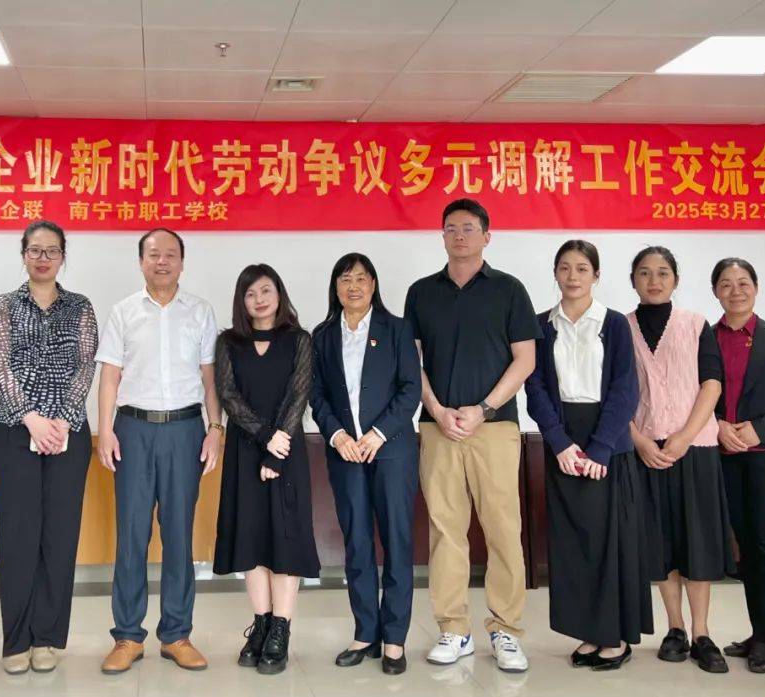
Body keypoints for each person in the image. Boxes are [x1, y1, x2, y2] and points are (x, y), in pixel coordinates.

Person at [404, 198, 540, 673]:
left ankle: (506, 630)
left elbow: (525, 360)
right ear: (441, 236)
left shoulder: (509, 290)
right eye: (450, 228)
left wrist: (483, 409)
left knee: (503, 531)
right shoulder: (421, 292)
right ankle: (454, 629)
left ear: (487, 236)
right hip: (437, 428)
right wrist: (437, 410)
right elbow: (412, 362)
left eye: (468, 228)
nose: (459, 235)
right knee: (446, 531)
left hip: (495, 428)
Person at [96, 227, 222, 674]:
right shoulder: (124, 312)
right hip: (132, 430)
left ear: (182, 262)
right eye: (153, 255)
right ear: (141, 262)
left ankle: (176, 634)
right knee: (131, 534)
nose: (162, 261)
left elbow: (210, 377)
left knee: (179, 534)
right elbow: (110, 376)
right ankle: (128, 636)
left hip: (185, 430)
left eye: (170, 254)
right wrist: (105, 430)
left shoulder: (200, 312)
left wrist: (216, 427)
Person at [523, 240, 651, 671]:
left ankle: (614, 637)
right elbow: (535, 387)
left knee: (608, 542)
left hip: (607, 443)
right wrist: (559, 443)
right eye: (565, 268)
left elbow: (625, 389)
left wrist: (600, 448)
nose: (573, 276)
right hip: (563, 441)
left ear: (596, 275)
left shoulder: (613, 324)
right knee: (573, 543)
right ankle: (589, 632)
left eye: (582, 268)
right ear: (555, 274)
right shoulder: (541, 325)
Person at [0, 221, 98, 675]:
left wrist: (62, 419)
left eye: (52, 250)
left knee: (59, 536)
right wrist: (30, 416)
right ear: (24, 255)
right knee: (17, 536)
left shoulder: (80, 306)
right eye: (35, 250)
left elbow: (86, 365)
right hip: (13, 432)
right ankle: (16, 640)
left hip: (69, 434)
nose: (43, 258)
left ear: (63, 256)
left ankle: (47, 636)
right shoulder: (5, 305)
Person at [310, 253, 420, 675]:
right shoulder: (323, 335)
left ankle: (395, 638)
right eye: (345, 279)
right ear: (335, 287)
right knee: (356, 541)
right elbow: (316, 394)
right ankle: (366, 632)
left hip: (390, 450)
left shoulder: (397, 329)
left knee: (396, 540)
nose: (353, 286)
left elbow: (410, 389)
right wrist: (338, 436)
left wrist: (378, 434)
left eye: (361, 278)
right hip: (346, 453)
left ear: (373, 285)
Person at [627, 246, 731, 674]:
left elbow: (712, 384)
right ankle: (675, 628)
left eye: (663, 273)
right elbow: (614, 392)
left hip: (696, 448)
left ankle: (702, 632)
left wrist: (685, 438)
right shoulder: (620, 327)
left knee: (697, 540)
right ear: (633, 280)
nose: (654, 281)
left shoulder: (695, 324)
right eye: (645, 273)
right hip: (645, 451)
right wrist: (638, 440)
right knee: (660, 540)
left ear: (675, 279)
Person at [213, 264, 319, 676]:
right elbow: (228, 395)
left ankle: (280, 630)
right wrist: (263, 437)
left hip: (286, 454)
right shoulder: (229, 342)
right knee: (251, 538)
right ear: (241, 301)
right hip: (245, 452)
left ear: (279, 294)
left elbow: (298, 396)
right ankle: (260, 625)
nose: (259, 299)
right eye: (250, 293)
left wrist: (276, 452)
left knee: (285, 540)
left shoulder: (299, 340)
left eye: (265, 290)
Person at [710, 258, 765, 674]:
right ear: (716, 292)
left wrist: (760, 429)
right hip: (723, 457)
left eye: (743, 283)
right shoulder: (705, 339)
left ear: (756, 288)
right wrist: (718, 425)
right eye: (726, 284)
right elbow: (693, 396)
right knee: (744, 548)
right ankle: (763, 633)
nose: (736, 291)